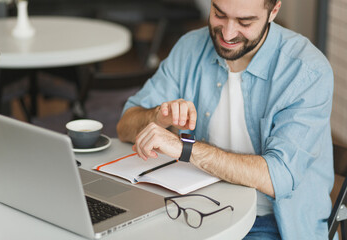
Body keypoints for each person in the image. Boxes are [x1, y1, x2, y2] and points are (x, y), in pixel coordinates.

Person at [116, 0, 335, 239]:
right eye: (219, 14)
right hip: (195, 206)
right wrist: (157, 116)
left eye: (245, 22)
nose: (228, 34)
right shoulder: (190, 47)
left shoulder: (306, 70)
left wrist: (185, 149)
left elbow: (277, 177)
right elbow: (125, 127)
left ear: (273, 11)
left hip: (270, 221)